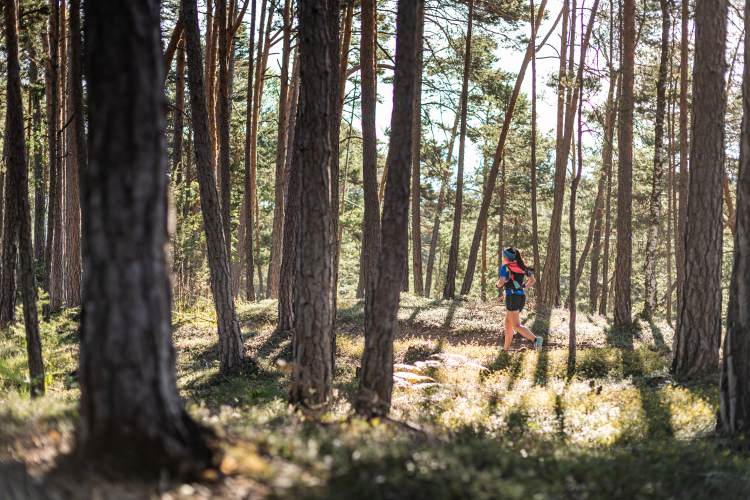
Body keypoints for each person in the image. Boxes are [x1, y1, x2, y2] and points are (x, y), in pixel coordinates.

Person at [496, 246, 542, 352]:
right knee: (508, 323)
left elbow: (501, 283)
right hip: (521, 297)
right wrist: (524, 288)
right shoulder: (521, 267)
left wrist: (497, 285)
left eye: (503, 255)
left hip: (512, 297)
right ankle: (505, 350)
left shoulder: (505, 267)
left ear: (505, 257)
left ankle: (535, 339)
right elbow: (532, 280)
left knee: (516, 325)